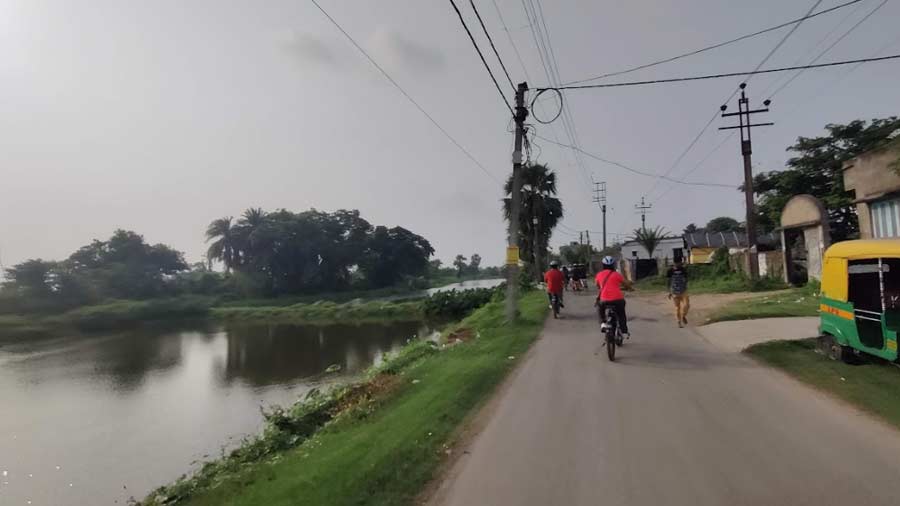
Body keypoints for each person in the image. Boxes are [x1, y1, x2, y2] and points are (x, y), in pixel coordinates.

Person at [595, 255, 630, 337]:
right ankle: (624, 330)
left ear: (603, 265)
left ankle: (603, 323)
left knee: (600, 308)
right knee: (621, 313)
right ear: (613, 265)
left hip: (604, 300)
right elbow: (626, 284)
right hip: (618, 300)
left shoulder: (599, 275)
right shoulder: (617, 274)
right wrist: (629, 288)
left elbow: (597, 285)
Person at [667, 258, 690, 327]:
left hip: (683, 291)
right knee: (677, 308)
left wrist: (685, 285)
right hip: (674, 292)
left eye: (680, 263)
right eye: (678, 263)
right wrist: (669, 292)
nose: (679, 264)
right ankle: (679, 322)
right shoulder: (670, 271)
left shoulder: (683, 270)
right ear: (675, 263)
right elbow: (668, 282)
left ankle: (683, 316)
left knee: (686, 305)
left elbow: (686, 279)